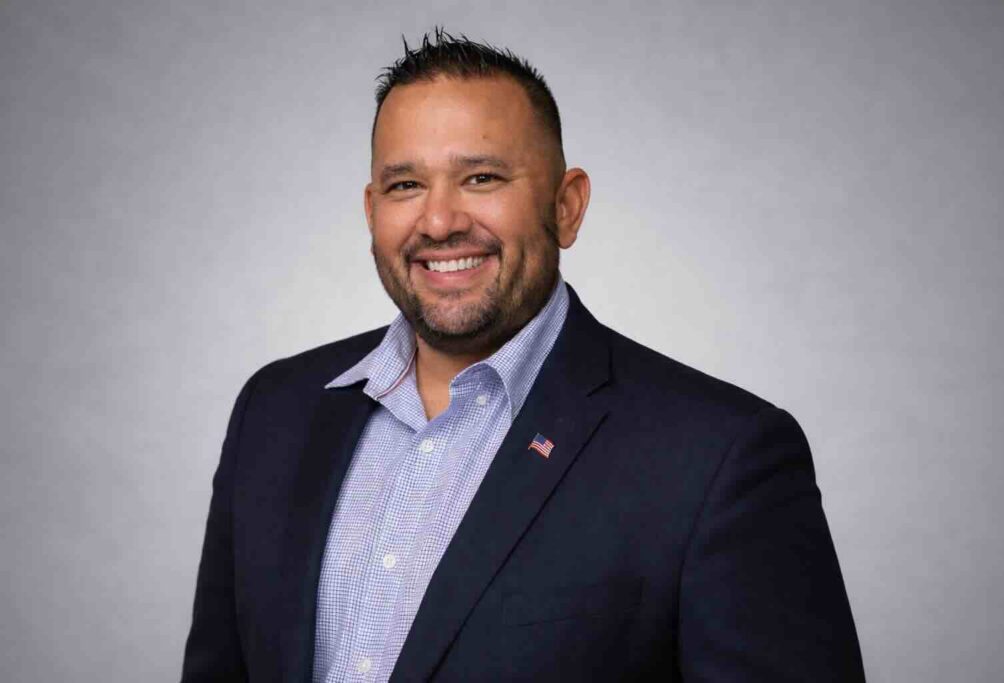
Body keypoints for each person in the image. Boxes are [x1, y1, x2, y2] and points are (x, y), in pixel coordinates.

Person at [181, 29, 865, 682]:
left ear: (567, 207)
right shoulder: (274, 412)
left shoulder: (718, 458)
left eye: (480, 177)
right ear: (371, 210)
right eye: (404, 185)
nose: (440, 220)